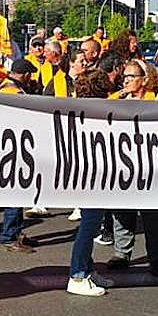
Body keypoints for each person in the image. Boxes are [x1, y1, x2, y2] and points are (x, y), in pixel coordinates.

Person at [106, 61, 158, 278]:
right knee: (122, 212)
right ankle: (121, 253)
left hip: (152, 168)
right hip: (123, 166)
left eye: (131, 76)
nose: (126, 80)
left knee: (154, 216)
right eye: (124, 76)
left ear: (144, 79)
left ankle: (156, 259)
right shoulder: (117, 100)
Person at [66, 68, 116, 296]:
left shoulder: (79, 111)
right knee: (89, 225)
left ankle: (86, 269)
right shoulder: (95, 114)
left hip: (92, 175)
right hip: (90, 176)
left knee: (92, 223)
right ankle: (77, 276)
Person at [0, 59, 41, 252]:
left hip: (9, 145)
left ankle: (16, 232)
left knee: (18, 192)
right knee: (15, 192)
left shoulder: (4, 86)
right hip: (13, 147)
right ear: (26, 75)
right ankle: (9, 236)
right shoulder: (14, 92)